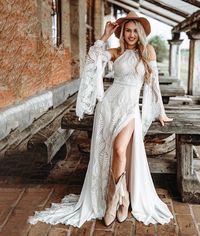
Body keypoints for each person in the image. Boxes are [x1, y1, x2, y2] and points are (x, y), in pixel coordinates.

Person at [28, 11, 173, 228]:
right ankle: (120, 199)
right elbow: (92, 59)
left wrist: (160, 111)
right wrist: (105, 35)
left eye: (135, 31)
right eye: (128, 30)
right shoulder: (115, 52)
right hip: (108, 107)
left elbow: (154, 85)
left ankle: (115, 197)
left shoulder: (147, 51)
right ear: (122, 33)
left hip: (130, 109)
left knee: (118, 149)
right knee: (111, 151)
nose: (131, 34)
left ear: (140, 33)